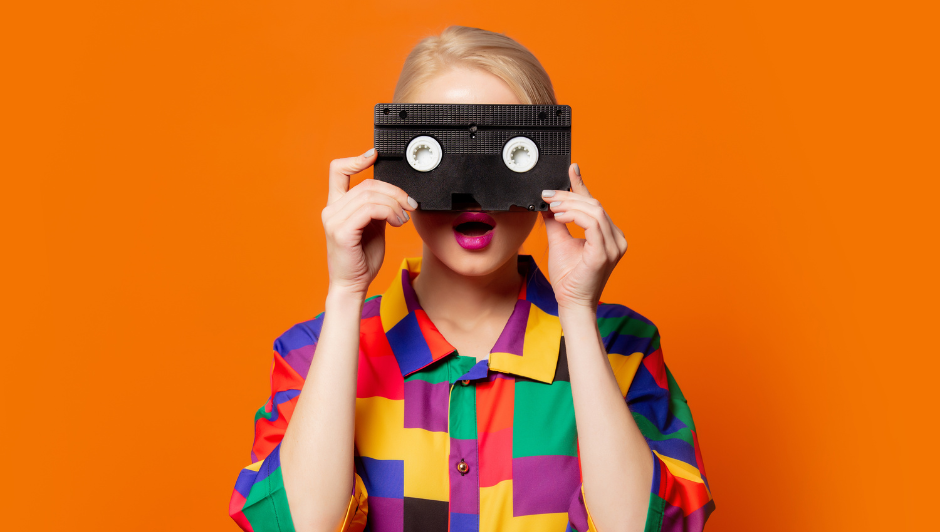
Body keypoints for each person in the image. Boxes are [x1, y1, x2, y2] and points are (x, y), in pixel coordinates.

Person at [229, 26, 714, 532]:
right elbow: (296, 526)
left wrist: (576, 311)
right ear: (396, 162)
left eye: (512, 155)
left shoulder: (622, 348)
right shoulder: (315, 353)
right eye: (434, 154)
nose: (474, 194)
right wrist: (346, 294)